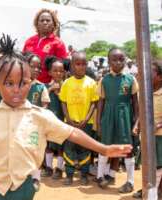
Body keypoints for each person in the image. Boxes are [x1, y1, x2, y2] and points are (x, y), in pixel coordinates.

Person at [0, 34, 132, 200]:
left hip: (24, 188)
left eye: (22, 83)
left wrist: (103, 149)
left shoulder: (40, 116)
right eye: (9, 83)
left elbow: (72, 132)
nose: (16, 90)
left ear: (31, 83)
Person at [96, 48, 139, 193]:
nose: (118, 62)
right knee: (105, 146)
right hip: (108, 116)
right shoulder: (104, 80)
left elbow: (135, 103)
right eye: (114, 59)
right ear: (109, 62)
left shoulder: (130, 79)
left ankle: (130, 181)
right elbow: (100, 102)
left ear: (126, 60)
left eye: (121, 59)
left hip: (124, 117)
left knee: (127, 148)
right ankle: (100, 176)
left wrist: (136, 121)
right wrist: (98, 122)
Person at [59, 52, 99, 186]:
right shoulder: (66, 83)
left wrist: (86, 119)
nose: (80, 67)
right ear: (71, 66)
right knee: (69, 148)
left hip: (86, 123)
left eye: (83, 64)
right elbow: (63, 101)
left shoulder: (91, 83)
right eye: (77, 64)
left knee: (84, 148)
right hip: (70, 122)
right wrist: (68, 119)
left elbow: (94, 102)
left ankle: (83, 174)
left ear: (86, 65)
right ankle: (69, 175)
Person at [132, 60, 162, 199]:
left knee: (159, 165)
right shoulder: (145, 92)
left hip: (159, 136)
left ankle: (157, 190)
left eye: (150, 72)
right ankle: (147, 188)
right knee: (147, 163)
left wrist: (157, 126)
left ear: (160, 77)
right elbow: (142, 111)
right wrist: (137, 124)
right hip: (147, 135)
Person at [25, 53, 50, 190]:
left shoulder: (41, 87)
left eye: (38, 67)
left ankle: (36, 177)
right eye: (32, 66)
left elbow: (45, 105)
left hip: (35, 124)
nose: (36, 69)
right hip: (20, 123)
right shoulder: (20, 84)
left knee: (36, 150)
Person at [23, 9, 68, 84]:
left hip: (49, 86)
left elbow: (63, 69)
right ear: (37, 24)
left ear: (53, 24)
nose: (45, 22)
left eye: (48, 20)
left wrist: (56, 84)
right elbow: (23, 63)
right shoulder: (29, 41)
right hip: (28, 85)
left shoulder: (58, 43)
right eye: (42, 20)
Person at [42, 55, 66, 180]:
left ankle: (60, 168)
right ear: (50, 72)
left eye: (61, 71)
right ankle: (49, 167)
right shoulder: (45, 87)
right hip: (48, 121)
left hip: (61, 120)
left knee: (61, 145)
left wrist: (60, 93)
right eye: (55, 71)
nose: (58, 73)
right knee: (48, 145)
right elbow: (43, 102)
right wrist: (51, 89)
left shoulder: (66, 86)